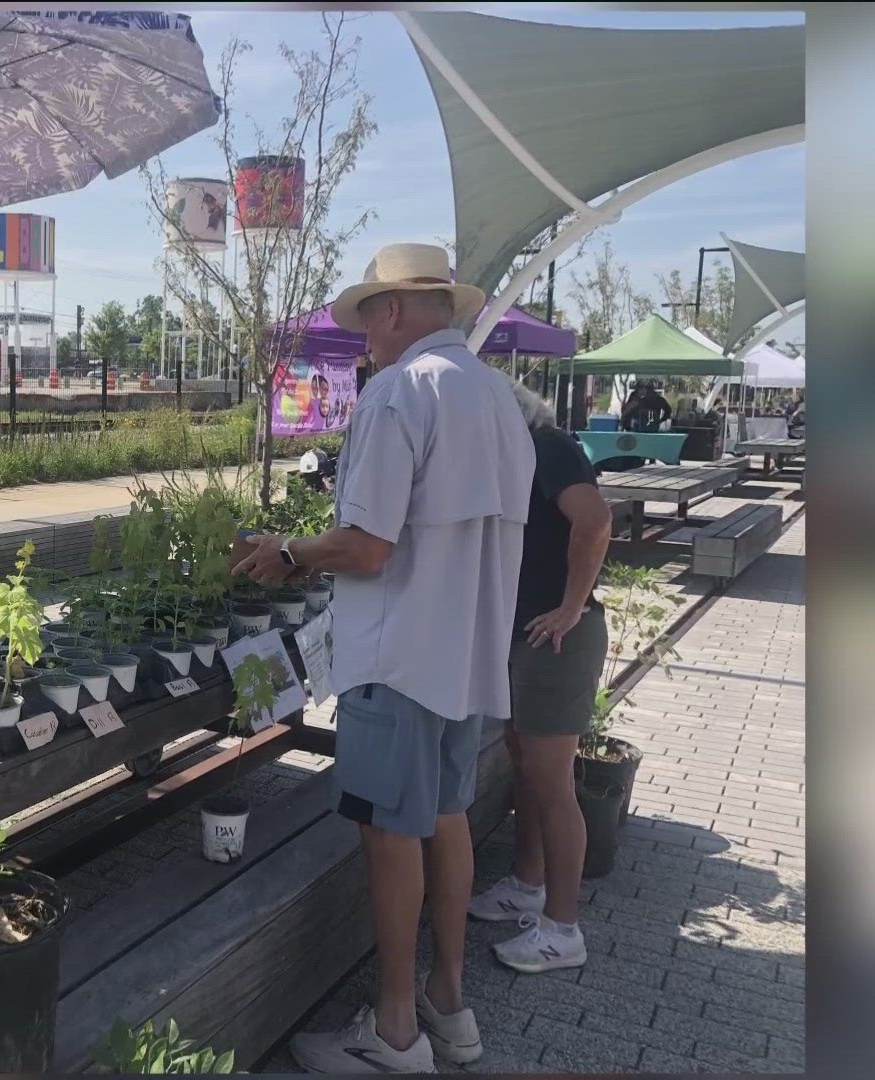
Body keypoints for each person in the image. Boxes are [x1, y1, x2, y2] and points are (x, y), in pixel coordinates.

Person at [238, 243, 532, 1073]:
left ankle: (397, 1032)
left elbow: (368, 546)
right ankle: (449, 1001)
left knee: (388, 834)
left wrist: (288, 550)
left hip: (396, 656)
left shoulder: (400, 393)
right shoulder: (498, 397)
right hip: (466, 654)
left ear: (394, 310)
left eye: (367, 318)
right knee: (446, 819)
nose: (363, 336)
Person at [467, 383, 613, 973]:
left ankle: (562, 929)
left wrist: (572, 607)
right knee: (523, 762)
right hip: (525, 633)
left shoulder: (547, 445)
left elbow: (595, 521)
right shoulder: (513, 457)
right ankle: (527, 884)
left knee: (552, 781)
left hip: (557, 638)